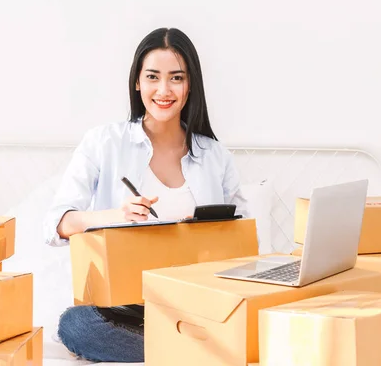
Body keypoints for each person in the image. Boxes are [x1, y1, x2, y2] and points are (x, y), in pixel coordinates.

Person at [43, 27, 249, 363]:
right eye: (153, 77)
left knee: (257, 312)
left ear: (190, 84)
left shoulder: (214, 155)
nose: (164, 90)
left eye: (176, 78)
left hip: (198, 302)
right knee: (76, 325)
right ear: (137, 82)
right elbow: (57, 224)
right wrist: (115, 216)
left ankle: (184, 344)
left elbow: (244, 235)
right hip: (126, 307)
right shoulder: (103, 143)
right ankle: (193, 350)